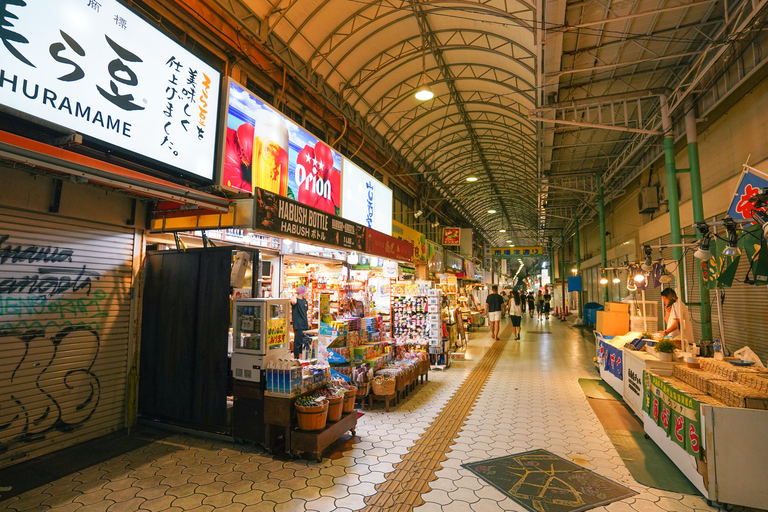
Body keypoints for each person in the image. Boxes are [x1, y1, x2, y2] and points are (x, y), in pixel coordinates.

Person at [290, 285, 310, 359]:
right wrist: (295, 293)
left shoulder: (305, 301)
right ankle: (296, 357)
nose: (306, 293)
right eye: (305, 291)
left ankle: (303, 357)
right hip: (298, 325)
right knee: (297, 342)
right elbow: (293, 301)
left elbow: (305, 311)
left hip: (305, 324)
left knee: (304, 342)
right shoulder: (295, 301)